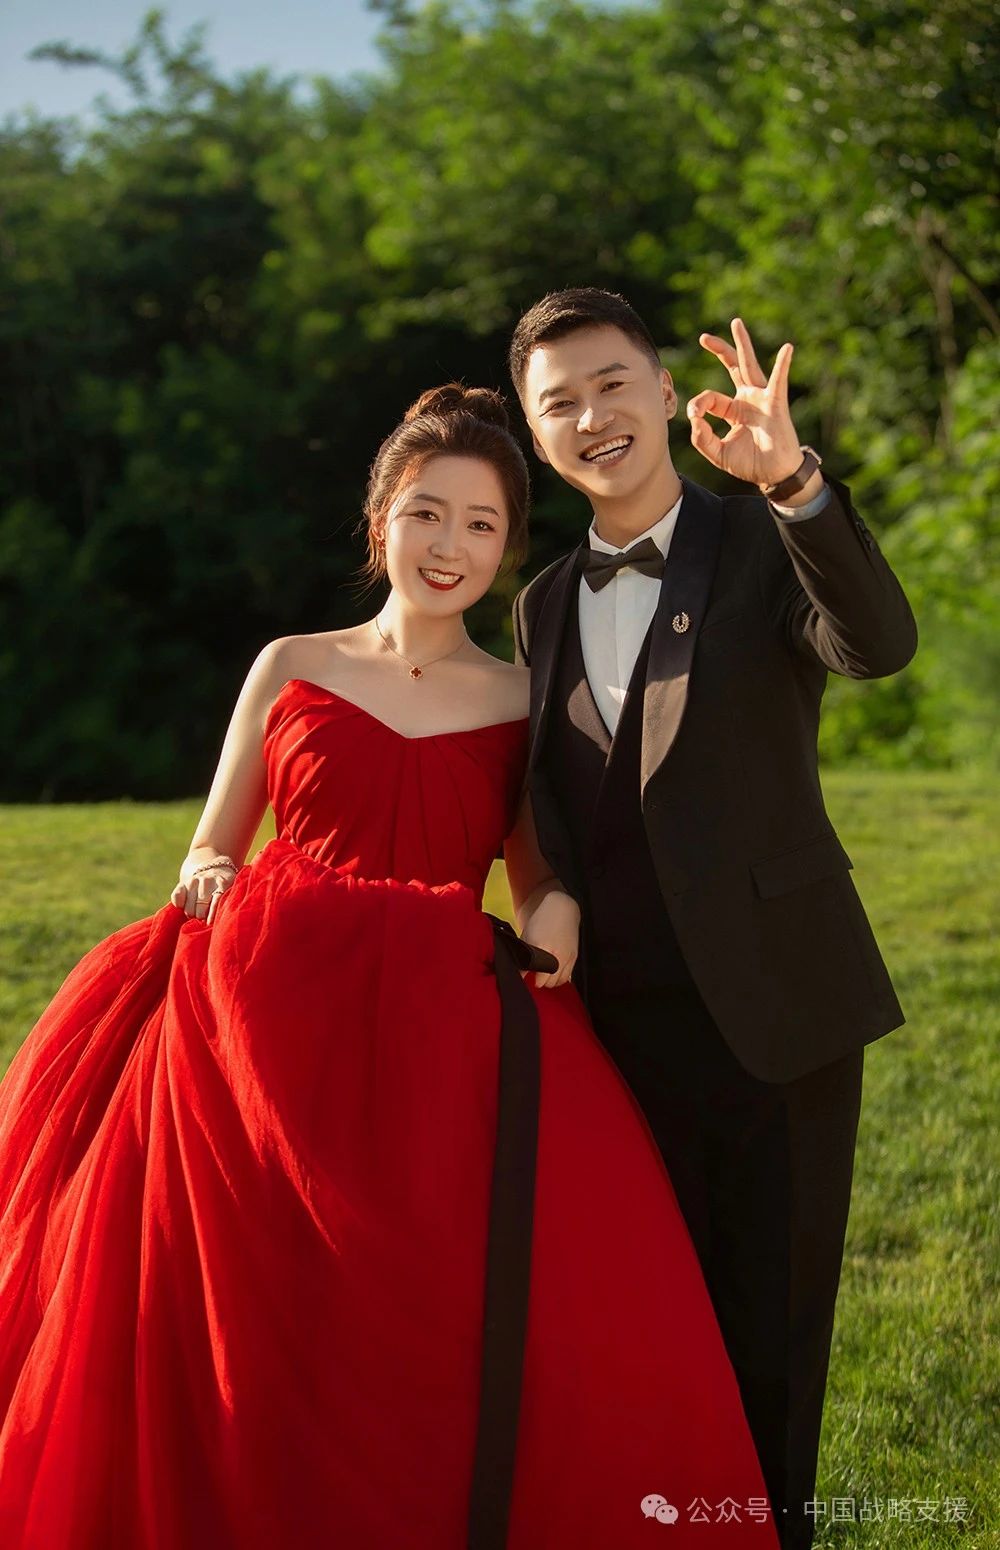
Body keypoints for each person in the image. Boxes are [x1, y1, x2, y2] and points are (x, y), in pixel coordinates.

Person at [0, 383, 781, 1549]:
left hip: (435, 1020)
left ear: (506, 548)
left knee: (478, 1293)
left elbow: (537, 869)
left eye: (480, 523)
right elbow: (213, 842)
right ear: (381, 523)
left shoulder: (522, 695)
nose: (449, 543)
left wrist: (557, 912)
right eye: (426, 513)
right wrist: (208, 875)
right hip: (268, 1004)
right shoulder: (291, 663)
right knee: (224, 1277)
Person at [506, 290, 918, 1550]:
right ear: (534, 433)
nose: (592, 416)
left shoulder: (759, 536)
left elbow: (876, 642)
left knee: (773, 1348)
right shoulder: (537, 601)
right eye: (559, 402)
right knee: (645, 1339)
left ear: (662, 391)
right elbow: (551, 806)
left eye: (611, 384)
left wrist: (793, 482)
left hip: (779, 1011)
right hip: (617, 1036)